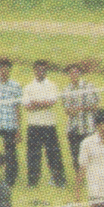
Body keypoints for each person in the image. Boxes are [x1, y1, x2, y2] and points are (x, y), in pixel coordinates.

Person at [23, 60, 66, 188]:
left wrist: (35, 103)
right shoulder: (28, 87)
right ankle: (32, 182)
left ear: (46, 71)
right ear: (34, 70)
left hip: (49, 125)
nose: (40, 72)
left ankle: (59, 181)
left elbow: (51, 102)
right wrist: (43, 103)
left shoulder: (52, 85)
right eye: (38, 69)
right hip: (33, 125)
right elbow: (27, 106)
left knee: (54, 154)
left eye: (43, 70)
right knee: (33, 155)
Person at [0, 58, 23, 187]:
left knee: (10, 152)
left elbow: (17, 108)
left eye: (6, 68)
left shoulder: (15, 86)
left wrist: (18, 129)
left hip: (9, 125)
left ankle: (10, 180)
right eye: (1, 68)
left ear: (9, 70)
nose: (3, 71)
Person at [62, 64, 100, 172]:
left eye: (75, 72)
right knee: (76, 158)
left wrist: (80, 108)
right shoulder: (66, 89)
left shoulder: (89, 86)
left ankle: (92, 176)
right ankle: (79, 177)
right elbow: (66, 109)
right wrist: (72, 110)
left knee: (91, 157)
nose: (73, 75)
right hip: (73, 129)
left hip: (88, 128)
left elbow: (95, 106)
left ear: (80, 73)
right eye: (71, 73)